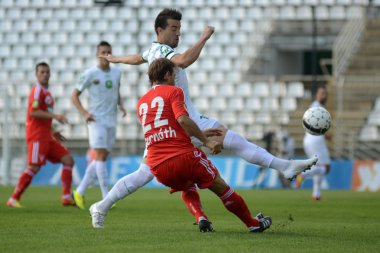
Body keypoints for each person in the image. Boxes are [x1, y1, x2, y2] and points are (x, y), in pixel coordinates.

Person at [96, 8, 317, 224]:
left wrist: (115, 58)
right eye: (173, 28)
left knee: (143, 173)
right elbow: (182, 61)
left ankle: (102, 206)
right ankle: (283, 167)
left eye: (179, 28)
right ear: (159, 31)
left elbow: (137, 58)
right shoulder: (164, 52)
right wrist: (204, 37)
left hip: (165, 128)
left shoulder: (151, 51)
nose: (178, 33)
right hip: (187, 120)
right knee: (234, 140)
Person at [90, 58, 273, 233]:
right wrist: (206, 141)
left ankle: (200, 215)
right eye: (174, 74)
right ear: (168, 75)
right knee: (220, 186)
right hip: (184, 157)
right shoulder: (174, 92)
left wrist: (200, 134)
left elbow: (165, 130)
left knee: (186, 185)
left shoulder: (141, 103)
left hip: (158, 167)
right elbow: (183, 119)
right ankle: (252, 223)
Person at [7, 62, 75, 207]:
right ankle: (13, 198)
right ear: (36, 74)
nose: (45, 74)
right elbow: (33, 112)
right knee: (34, 167)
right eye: (42, 72)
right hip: (37, 136)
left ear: (50, 74)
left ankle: (66, 197)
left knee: (68, 159)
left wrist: (52, 132)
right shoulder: (37, 91)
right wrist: (55, 116)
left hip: (46, 136)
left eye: (47, 72)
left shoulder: (47, 93)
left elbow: (43, 117)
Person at [71, 41, 126, 210]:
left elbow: (116, 90)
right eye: (103, 52)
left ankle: (79, 192)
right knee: (100, 155)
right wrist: (85, 113)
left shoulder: (117, 72)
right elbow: (74, 95)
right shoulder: (90, 73)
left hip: (111, 119)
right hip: (96, 120)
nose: (106, 55)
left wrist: (120, 104)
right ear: (97, 54)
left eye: (108, 52)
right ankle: (106, 197)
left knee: (101, 157)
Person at [297, 86, 331, 200]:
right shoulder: (317, 107)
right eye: (321, 93)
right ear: (316, 95)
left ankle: (316, 194)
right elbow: (316, 124)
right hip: (316, 140)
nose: (324, 96)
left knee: (318, 167)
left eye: (325, 94)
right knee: (326, 168)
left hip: (309, 140)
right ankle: (303, 174)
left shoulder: (317, 106)